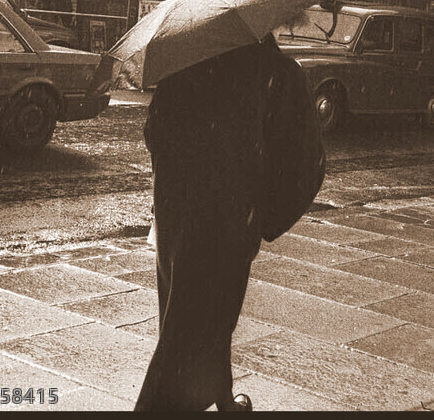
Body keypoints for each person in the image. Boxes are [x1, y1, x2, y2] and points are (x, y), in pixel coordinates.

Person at [134, 35, 317, 412]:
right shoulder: (280, 73)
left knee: (184, 315)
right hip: (231, 218)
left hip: (178, 213)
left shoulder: (189, 61)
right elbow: (306, 163)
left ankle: (220, 396)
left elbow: (154, 132)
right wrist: (265, 217)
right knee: (207, 320)